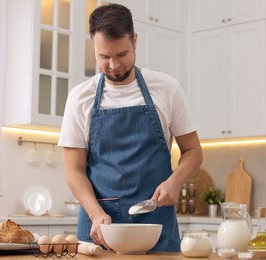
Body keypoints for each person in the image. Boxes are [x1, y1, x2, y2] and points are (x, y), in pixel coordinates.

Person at [58, 3, 202, 252]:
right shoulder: (80, 97)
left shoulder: (167, 88)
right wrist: (96, 214)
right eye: (104, 56)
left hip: (155, 222)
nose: (113, 65)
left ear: (134, 40)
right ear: (94, 47)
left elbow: (193, 152)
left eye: (121, 54)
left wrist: (175, 182)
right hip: (100, 227)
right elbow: (74, 171)